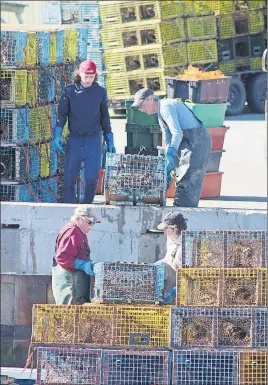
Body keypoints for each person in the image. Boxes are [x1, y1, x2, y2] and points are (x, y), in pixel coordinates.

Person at [131, 89, 212, 207]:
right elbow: (168, 137)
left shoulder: (165, 107)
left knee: (188, 178)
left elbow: (177, 133)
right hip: (187, 142)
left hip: (197, 142)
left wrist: (171, 154)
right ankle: (179, 208)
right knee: (178, 174)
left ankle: (184, 211)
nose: (141, 109)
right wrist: (166, 161)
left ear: (151, 99)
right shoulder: (160, 112)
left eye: (141, 105)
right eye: (139, 107)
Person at [53, 59, 116, 204]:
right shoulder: (69, 91)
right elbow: (62, 115)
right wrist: (57, 135)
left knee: (92, 178)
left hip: (93, 140)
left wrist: (109, 139)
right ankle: (70, 207)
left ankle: (86, 206)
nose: (88, 80)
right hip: (74, 139)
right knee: (69, 177)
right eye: (86, 76)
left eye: (91, 77)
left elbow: (105, 117)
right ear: (79, 74)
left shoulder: (100, 92)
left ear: (95, 76)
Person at [52, 206, 100, 305]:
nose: (91, 226)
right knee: (69, 315)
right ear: (78, 218)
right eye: (89, 222)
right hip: (70, 287)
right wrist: (82, 265)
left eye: (94, 223)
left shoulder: (80, 232)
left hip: (77, 288)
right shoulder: (72, 231)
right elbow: (62, 257)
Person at [155, 211, 188, 304]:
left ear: (174, 229)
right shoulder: (171, 239)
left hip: (182, 287)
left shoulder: (186, 247)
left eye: (166, 228)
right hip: (171, 278)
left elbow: (189, 277)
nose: (164, 232)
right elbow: (167, 260)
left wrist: (173, 293)